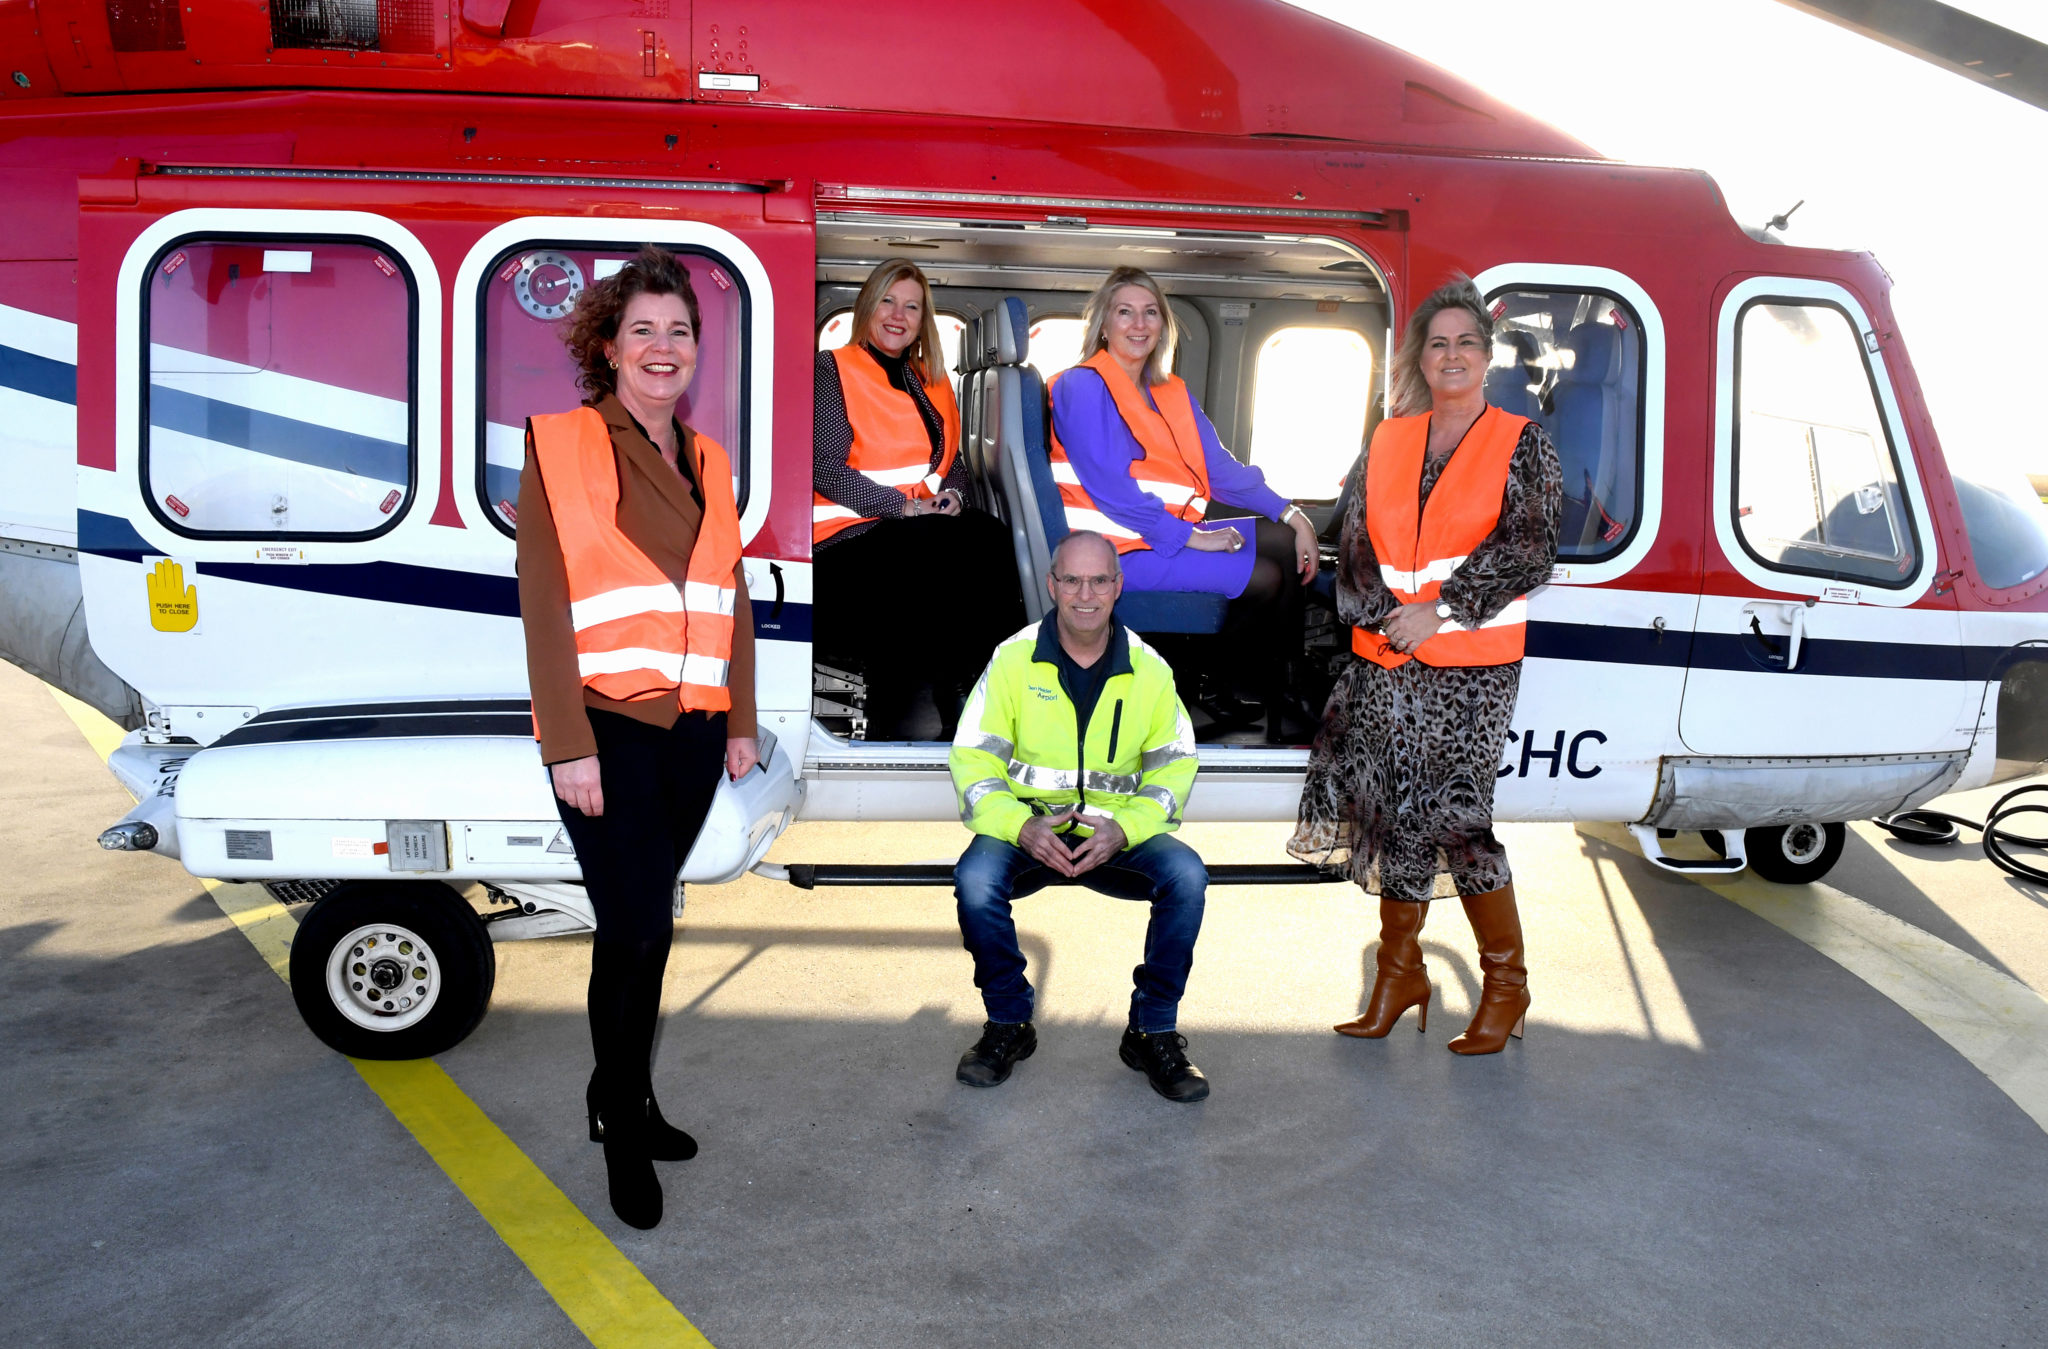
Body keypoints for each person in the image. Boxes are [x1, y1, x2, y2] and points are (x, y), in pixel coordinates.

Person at [517, 244, 759, 1229]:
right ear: (608, 348)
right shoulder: (566, 442)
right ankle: (621, 1123)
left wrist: (739, 714)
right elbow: (543, 599)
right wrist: (565, 742)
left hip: (692, 731)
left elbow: (727, 593)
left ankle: (623, 1093)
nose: (663, 348)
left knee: (647, 923)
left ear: (697, 351)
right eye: (643, 330)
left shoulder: (706, 458)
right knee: (634, 929)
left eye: (680, 331)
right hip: (607, 727)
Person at [1290, 276, 1562, 1056]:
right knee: (1393, 815)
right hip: (1388, 659)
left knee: (1457, 820)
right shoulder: (1389, 437)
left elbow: (1530, 548)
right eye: (1437, 343)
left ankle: (1506, 986)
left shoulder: (1521, 439)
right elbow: (1358, 539)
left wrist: (1438, 609)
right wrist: (1379, 614)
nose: (1452, 355)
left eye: (1466, 343)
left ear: (1487, 355)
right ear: (1421, 355)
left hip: (1471, 665)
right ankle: (1398, 975)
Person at [948, 530, 1212, 1103]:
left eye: (1098, 580)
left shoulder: (1150, 670)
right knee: (974, 880)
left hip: (1114, 837)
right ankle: (1008, 1025)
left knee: (1187, 877)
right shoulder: (1013, 660)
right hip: (1029, 831)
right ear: (1052, 585)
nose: (1085, 594)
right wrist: (1019, 825)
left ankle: (1152, 1031)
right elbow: (971, 759)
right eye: (1071, 579)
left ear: (1117, 588)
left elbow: (1175, 768)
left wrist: (1127, 828)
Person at [1048, 266, 1320, 740]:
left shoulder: (1169, 391)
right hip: (1118, 551)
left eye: (1150, 312)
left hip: (1160, 536)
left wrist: (1292, 513)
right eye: (1125, 312)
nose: (1139, 324)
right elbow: (1112, 491)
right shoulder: (1081, 386)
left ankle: (1284, 695)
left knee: (1283, 543)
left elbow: (1219, 471)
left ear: (1163, 324)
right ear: (1103, 324)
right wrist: (1194, 538)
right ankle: (1210, 685)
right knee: (1266, 577)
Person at [812, 259, 1023, 739]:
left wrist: (953, 495)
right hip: (845, 538)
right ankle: (950, 697)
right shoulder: (832, 369)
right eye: (887, 300)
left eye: (911, 306)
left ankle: (987, 691)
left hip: (913, 527)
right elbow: (824, 469)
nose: (897, 315)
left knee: (988, 536)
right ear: (867, 305)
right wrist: (904, 507)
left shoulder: (928, 377)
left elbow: (953, 463)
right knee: (932, 553)